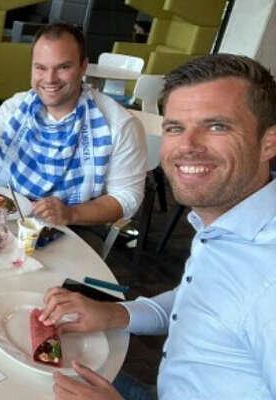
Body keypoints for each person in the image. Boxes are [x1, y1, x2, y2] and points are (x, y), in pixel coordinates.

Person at [39, 54, 276, 399]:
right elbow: (198, 299)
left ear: (269, 142)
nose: (188, 146)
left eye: (217, 126)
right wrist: (113, 313)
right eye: (175, 128)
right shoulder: (229, 222)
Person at [0, 23, 146, 226]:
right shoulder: (17, 105)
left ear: (83, 67)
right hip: (1, 215)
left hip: (71, 228)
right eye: (40, 67)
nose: (50, 79)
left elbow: (127, 198)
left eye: (63, 67)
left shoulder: (120, 125)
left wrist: (71, 214)